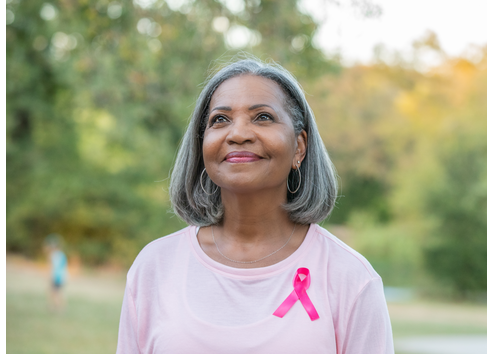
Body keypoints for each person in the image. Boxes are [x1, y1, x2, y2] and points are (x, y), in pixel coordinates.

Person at [116, 58, 394, 353]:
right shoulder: (155, 267)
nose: (238, 134)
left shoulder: (350, 277)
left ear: (299, 147)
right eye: (220, 119)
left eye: (262, 117)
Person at [44, 234, 67, 313]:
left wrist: (50, 277)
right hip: (62, 277)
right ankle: (59, 308)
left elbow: (52, 268)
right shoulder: (62, 254)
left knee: (54, 293)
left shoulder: (53, 255)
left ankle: (57, 309)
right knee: (59, 293)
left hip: (56, 277)